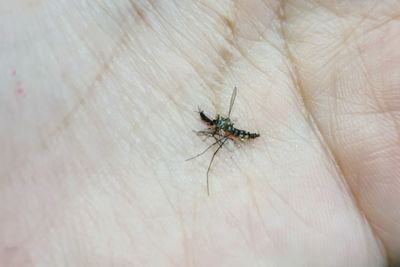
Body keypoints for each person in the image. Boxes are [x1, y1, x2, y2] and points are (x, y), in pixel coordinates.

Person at [1, 1, 399, 266]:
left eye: (215, 127)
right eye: (214, 127)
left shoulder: (225, 130)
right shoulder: (219, 125)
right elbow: (216, 125)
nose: (215, 129)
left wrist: (217, 136)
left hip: (240, 132)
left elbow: (220, 131)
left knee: (215, 144)